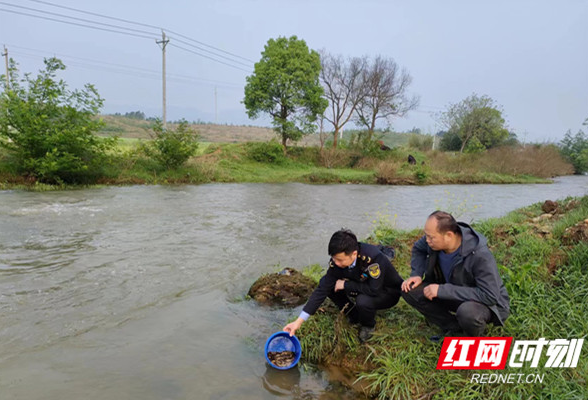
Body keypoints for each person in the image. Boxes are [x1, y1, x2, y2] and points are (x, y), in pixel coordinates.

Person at [401, 211, 510, 340]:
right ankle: (452, 327)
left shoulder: (480, 255)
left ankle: (471, 334)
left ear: (448, 235)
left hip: (483, 303)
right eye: (426, 236)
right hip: (452, 292)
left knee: (467, 313)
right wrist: (417, 274)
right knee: (409, 289)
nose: (427, 240)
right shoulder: (433, 241)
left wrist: (442, 290)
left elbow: (489, 296)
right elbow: (418, 249)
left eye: (431, 237)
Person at [283, 229, 403, 343]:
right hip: (364, 285)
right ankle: (354, 315)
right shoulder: (337, 262)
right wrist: (299, 321)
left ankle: (368, 325)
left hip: (387, 292)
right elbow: (322, 289)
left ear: (354, 254)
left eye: (340, 260)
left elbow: (374, 290)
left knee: (363, 301)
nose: (336, 263)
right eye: (334, 259)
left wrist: (345, 285)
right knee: (329, 285)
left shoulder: (373, 259)